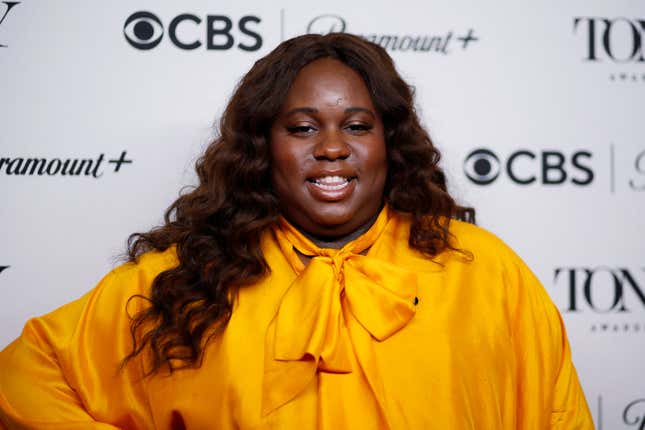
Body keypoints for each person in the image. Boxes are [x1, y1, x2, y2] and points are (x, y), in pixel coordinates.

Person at [0, 33, 593, 429]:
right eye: (303, 128)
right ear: (264, 147)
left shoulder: (485, 272)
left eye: (357, 126)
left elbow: (560, 415)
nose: (332, 148)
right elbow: (22, 380)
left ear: (389, 142)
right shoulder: (186, 279)